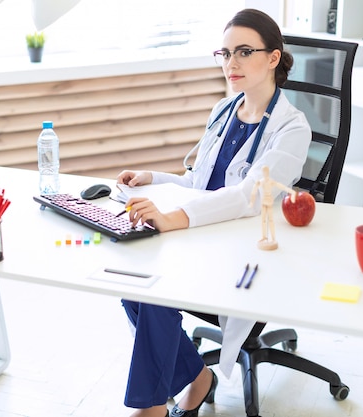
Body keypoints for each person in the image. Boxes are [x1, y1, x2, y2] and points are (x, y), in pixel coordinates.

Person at [117, 9, 311, 417]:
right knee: (131, 279)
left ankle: (149, 408)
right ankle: (197, 378)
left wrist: (175, 218)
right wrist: (151, 178)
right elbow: (199, 184)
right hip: (204, 236)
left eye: (243, 52)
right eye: (224, 53)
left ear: (273, 58)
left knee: (155, 291)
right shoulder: (224, 111)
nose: (231, 63)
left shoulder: (292, 129)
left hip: (246, 256)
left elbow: (248, 196)